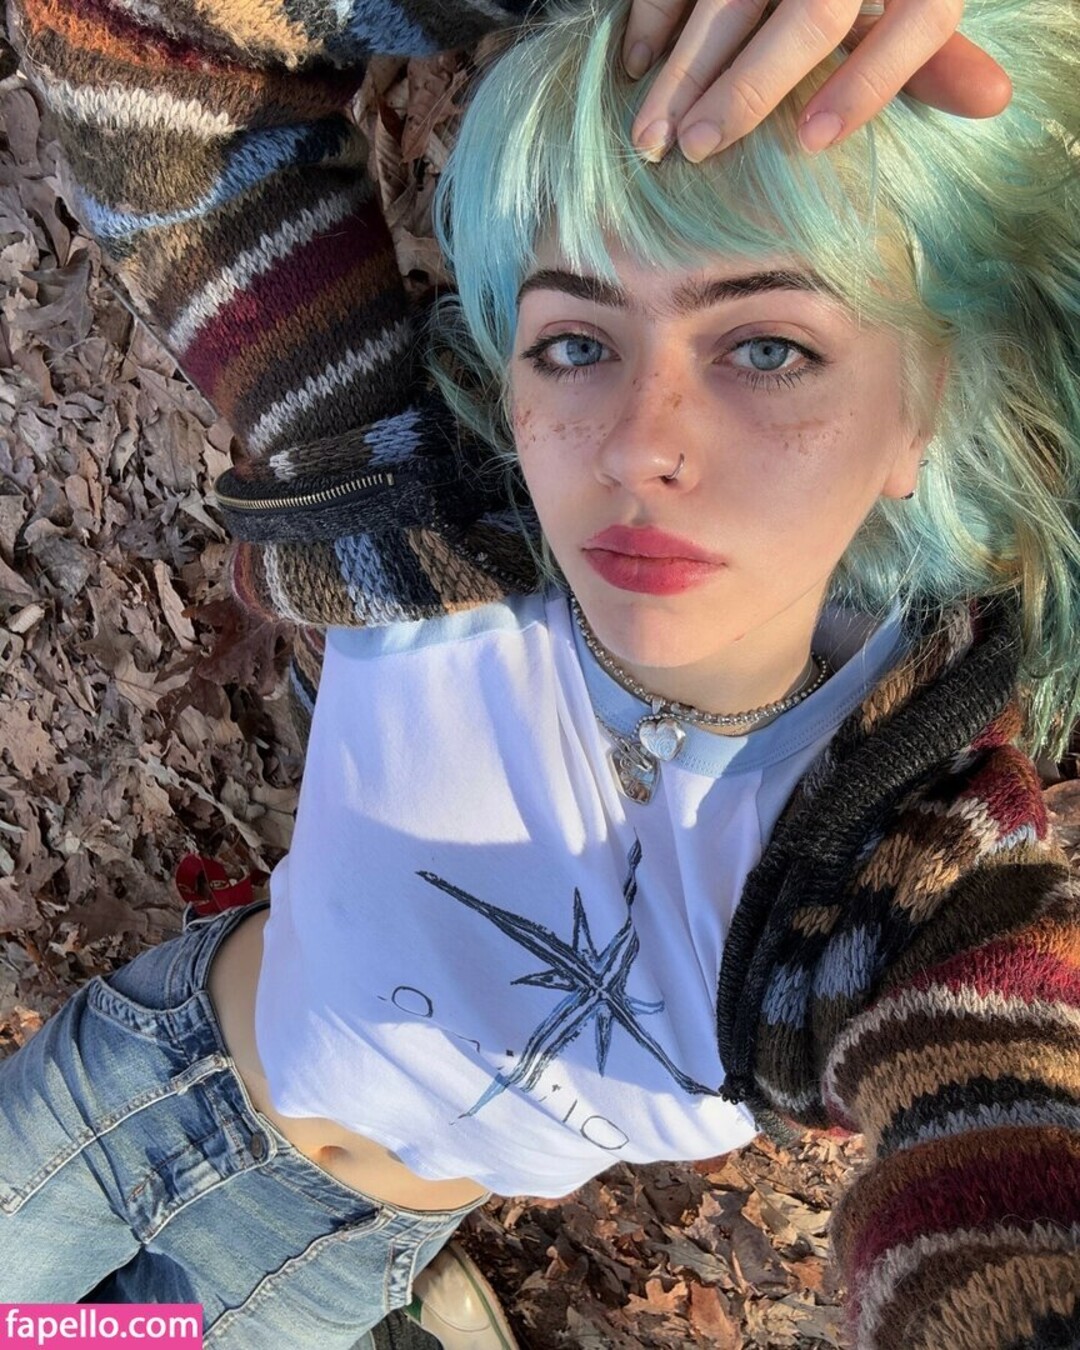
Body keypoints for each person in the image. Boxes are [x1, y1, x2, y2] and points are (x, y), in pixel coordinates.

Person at [2, 0, 1078, 1347]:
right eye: (575, 343)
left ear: (923, 409)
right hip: (136, 1088)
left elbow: (1014, 1148)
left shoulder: (910, 873)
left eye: (768, 347)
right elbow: (132, 34)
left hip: (336, 1254)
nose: (637, 446)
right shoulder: (415, 515)